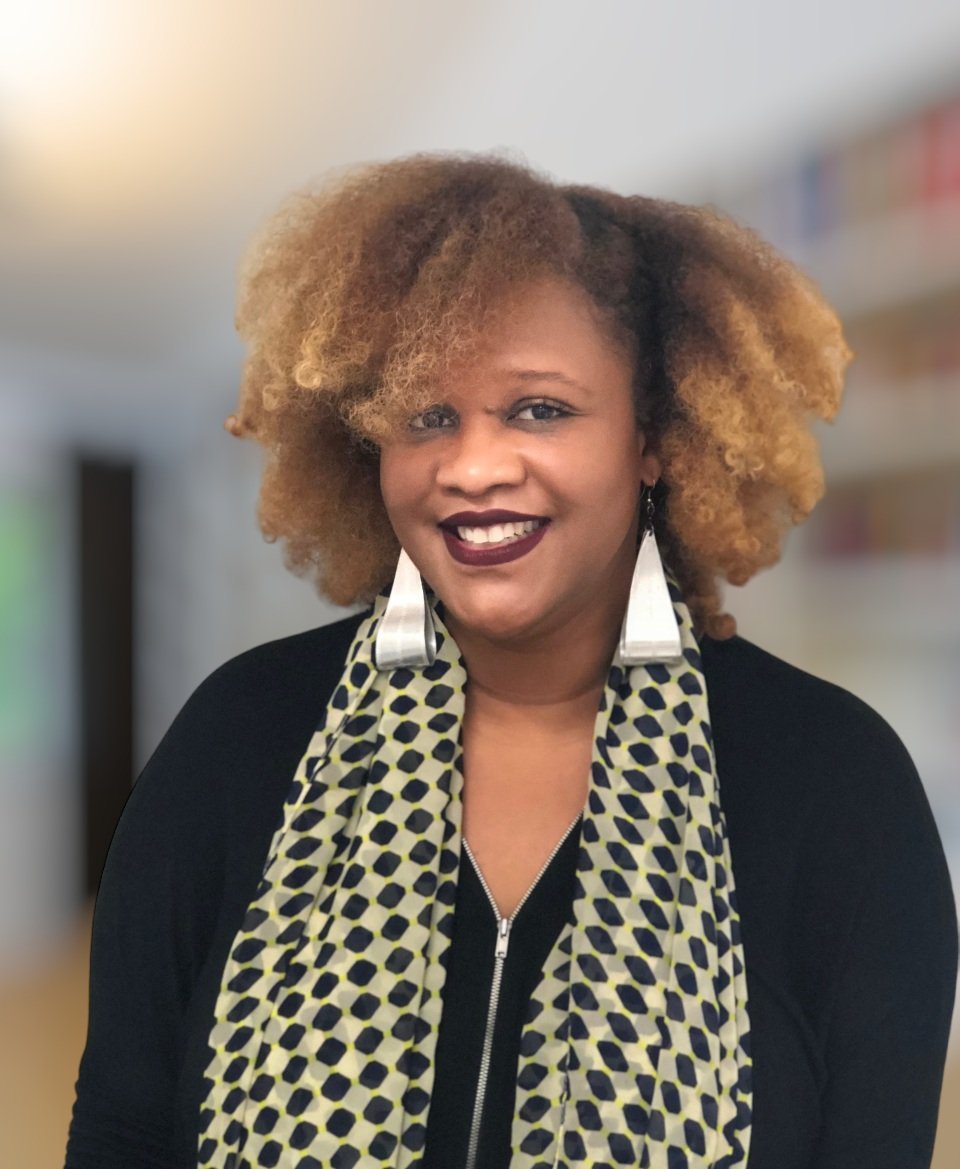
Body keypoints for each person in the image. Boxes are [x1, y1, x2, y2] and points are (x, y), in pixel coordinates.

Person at [66, 153, 957, 1169]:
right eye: (427, 415)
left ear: (653, 438)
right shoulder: (240, 736)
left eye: (539, 407)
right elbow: (123, 1131)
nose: (474, 467)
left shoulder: (838, 785)